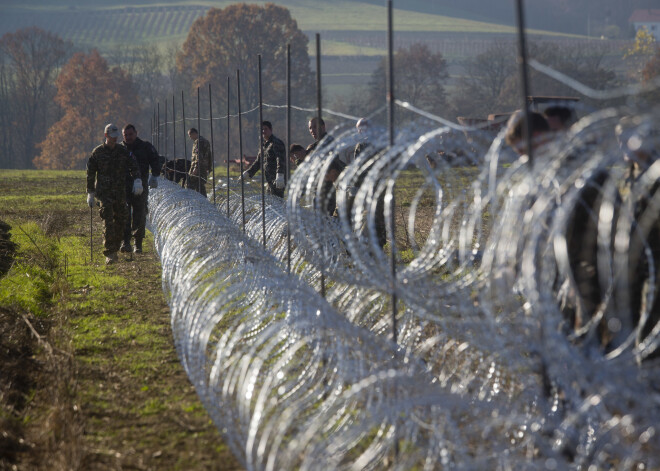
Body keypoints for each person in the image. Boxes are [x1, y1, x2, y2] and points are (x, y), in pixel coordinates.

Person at [86, 123, 141, 265]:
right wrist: (90, 192)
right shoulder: (97, 153)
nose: (115, 139)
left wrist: (137, 180)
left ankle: (115, 247)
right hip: (105, 193)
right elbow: (90, 173)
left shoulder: (123, 151)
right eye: (112, 136)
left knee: (121, 222)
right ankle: (110, 253)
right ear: (106, 136)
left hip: (120, 192)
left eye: (116, 137)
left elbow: (134, 165)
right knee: (108, 222)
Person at [120, 124, 161, 254]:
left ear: (136, 133)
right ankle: (125, 242)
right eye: (126, 135)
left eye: (130, 134)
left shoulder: (145, 147)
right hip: (123, 185)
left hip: (140, 185)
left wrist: (154, 176)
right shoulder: (120, 149)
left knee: (140, 213)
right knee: (123, 214)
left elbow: (156, 161)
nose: (128, 137)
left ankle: (138, 243)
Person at [306, 117, 346, 215]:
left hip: (327, 190)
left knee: (326, 221)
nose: (312, 130)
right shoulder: (316, 145)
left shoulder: (328, 142)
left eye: (315, 127)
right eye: (310, 128)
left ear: (323, 127)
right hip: (319, 189)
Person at [241, 121, 287, 198]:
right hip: (269, 181)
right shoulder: (264, 145)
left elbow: (280, 159)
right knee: (270, 203)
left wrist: (280, 174)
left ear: (271, 130)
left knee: (277, 203)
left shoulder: (276, 142)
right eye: (262, 129)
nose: (263, 131)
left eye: (265, 129)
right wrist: (248, 173)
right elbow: (258, 161)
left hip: (277, 179)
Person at [186, 128, 213, 197]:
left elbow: (199, 156)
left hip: (198, 168)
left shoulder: (198, 142)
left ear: (194, 134)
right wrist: (209, 167)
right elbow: (209, 155)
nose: (190, 137)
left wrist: (196, 168)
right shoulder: (205, 141)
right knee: (200, 186)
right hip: (203, 167)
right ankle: (202, 202)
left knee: (190, 184)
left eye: (190, 135)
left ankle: (189, 200)